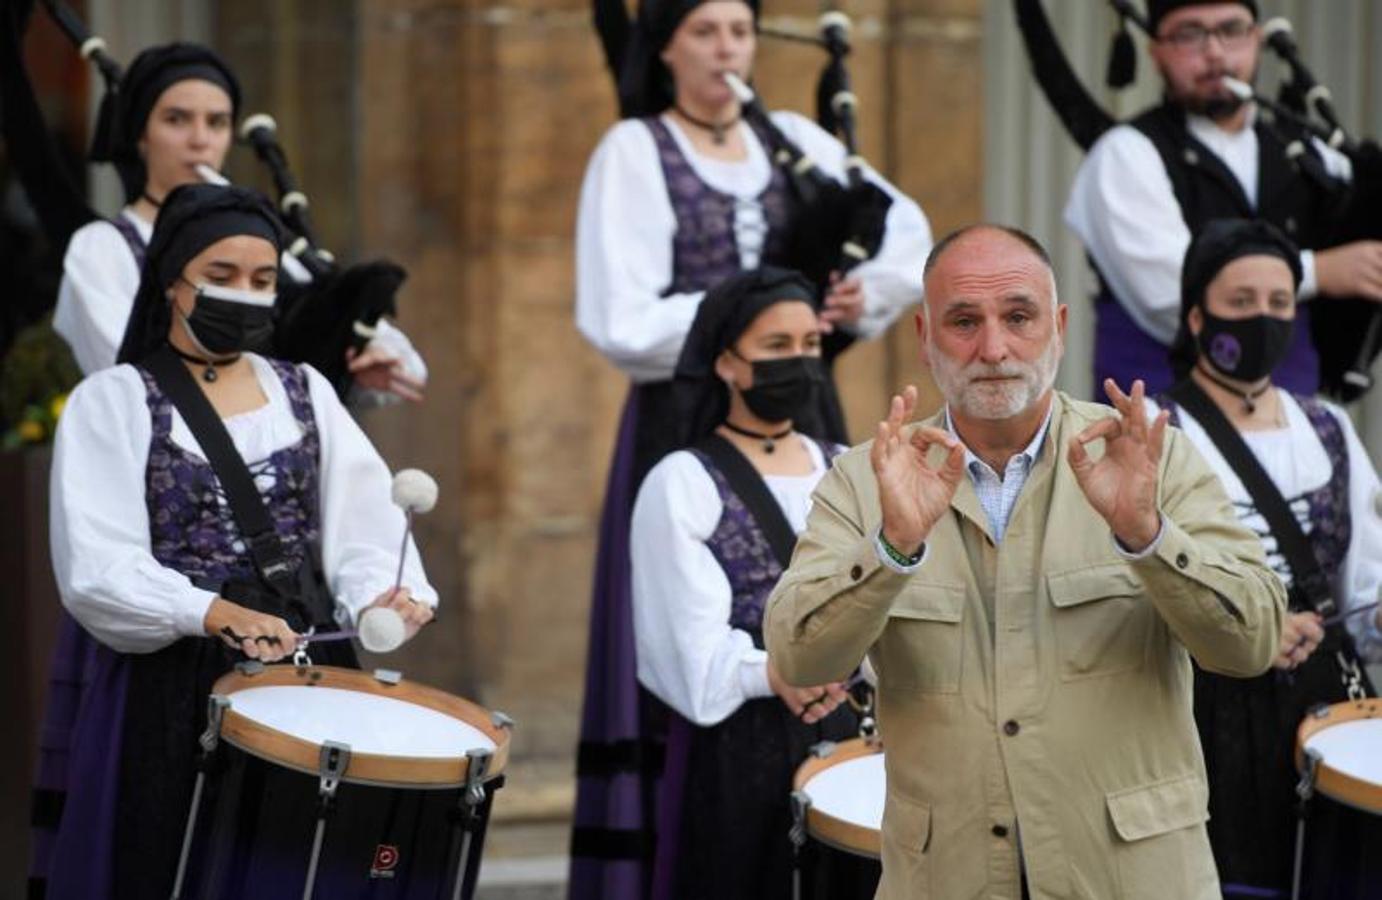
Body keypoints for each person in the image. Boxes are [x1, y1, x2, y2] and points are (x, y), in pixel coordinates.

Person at [763, 224, 1287, 900]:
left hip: (1134, 880)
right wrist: (892, 547)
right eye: (963, 322)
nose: (993, 349)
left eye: (1018, 317)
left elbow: (1251, 644)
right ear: (924, 336)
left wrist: (1147, 536)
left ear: (1059, 327)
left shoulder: (1149, 458)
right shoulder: (867, 479)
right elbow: (799, 659)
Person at [570, 0, 932, 892]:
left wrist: (858, 295)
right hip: (686, 412)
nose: (728, 48)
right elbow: (620, 320)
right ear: (665, 48)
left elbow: (906, 231)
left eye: (739, 29)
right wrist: (752, 311)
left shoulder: (794, 138)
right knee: (695, 620)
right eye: (705, 31)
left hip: (802, 402)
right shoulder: (636, 150)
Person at [30, 183, 437, 900]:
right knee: (168, 866)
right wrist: (209, 612)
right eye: (221, 276)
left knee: (298, 868)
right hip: (168, 686)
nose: (244, 295)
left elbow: (364, 525)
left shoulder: (306, 390)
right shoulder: (114, 400)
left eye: (262, 279)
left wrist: (386, 595)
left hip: (303, 676)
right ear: (172, 281)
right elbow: (98, 566)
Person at [1149, 218, 1382, 898]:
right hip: (1203, 710)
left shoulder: (1329, 427)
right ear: (1197, 316)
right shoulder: (1153, 433)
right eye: (1241, 301)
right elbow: (1130, 588)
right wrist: (1240, 629)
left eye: (1280, 303)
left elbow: (1366, 582)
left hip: (1325, 708)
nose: (1263, 318)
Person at [630, 267, 871, 899]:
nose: (799, 360)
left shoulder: (848, 468)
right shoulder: (681, 482)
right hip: (741, 750)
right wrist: (772, 672)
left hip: (855, 737)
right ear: (726, 363)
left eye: (810, 344)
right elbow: (681, 647)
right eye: (776, 346)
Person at [49, 42, 426, 402]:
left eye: (217, 123)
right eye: (176, 119)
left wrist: (357, 357)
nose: (200, 140)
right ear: (141, 136)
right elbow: (128, 376)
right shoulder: (102, 248)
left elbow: (408, 368)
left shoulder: (257, 239)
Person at [1064, 0, 1382, 398]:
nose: (1214, 52)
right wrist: (1319, 272)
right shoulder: (1125, 153)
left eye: (1231, 30)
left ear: (1257, 39)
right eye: (1190, 34)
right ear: (1156, 51)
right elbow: (1169, 294)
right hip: (1158, 420)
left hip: (1293, 416)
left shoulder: (1309, 152)